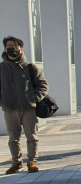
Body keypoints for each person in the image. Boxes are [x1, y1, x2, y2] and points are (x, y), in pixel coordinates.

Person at [0, 36, 48, 174]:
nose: (12, 49)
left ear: (21, 49)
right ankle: (16, 163)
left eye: (15, 46)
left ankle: (32, 161)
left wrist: (33, 99)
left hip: (28, 109)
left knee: (31, 136)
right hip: (9, 109)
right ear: (4, 48)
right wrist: (2, 102)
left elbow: (43, 85)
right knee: (13, 138)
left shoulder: (30, 68)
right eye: (9, 46)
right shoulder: (1, 68)